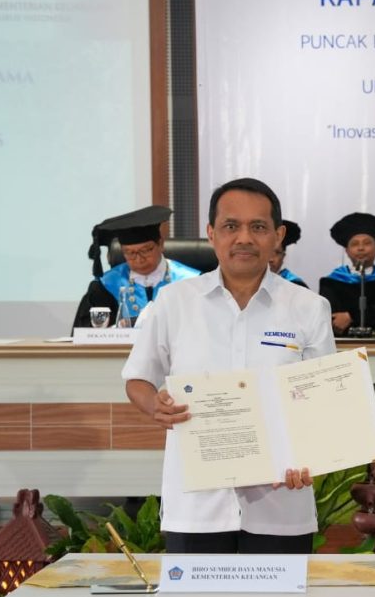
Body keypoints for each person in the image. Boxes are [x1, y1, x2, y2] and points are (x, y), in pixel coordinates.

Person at [121, 177, 335, 553]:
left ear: (277, 235)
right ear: (211, 233)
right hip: (196, 504)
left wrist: (313, 456)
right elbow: (138, 378)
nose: (244, 238)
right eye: (231, 226)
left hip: (281, 502)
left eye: (258, 227)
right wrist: (155, 404)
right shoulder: (174, 303)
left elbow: (323, 400)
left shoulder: (309, 308)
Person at [72, 205, 200, 330]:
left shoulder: (191, 281)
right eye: (130, 253)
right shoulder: (105, 286)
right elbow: (86, 333)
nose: (139, 259)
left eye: (145, 250)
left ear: (160, 244)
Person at [319, 212, 375, 335]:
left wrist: (351, 316)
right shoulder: (331, 283)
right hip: (343, 348)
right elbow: (331, 320)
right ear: (347, 251)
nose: (361, 248)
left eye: (367, 243)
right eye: (354, 244)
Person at [269, 219, 307, 288]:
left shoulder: (296, 286)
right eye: (268, 252)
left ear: (283, 256)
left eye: (277, 253)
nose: (271, 259)